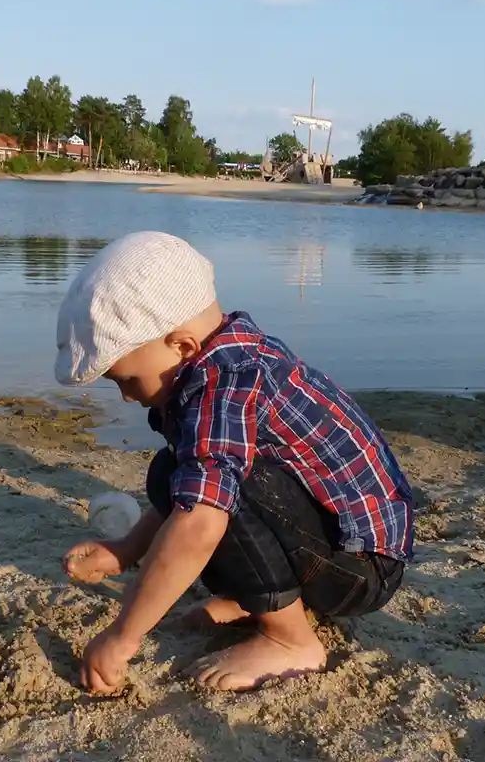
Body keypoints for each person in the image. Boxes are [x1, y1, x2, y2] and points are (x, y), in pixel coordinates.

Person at [55, 231, 414, 694]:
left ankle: (291, 641)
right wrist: (127, 549)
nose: (125, 395)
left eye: (126, 378)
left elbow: (199, 523)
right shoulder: (217, 355)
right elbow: (189, 489)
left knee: (222, 496)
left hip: (361, 567)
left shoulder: (229, 384)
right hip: (327, 540)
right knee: (174, 472)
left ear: (181, 345)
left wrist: (123, 637)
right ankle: (259, 602)